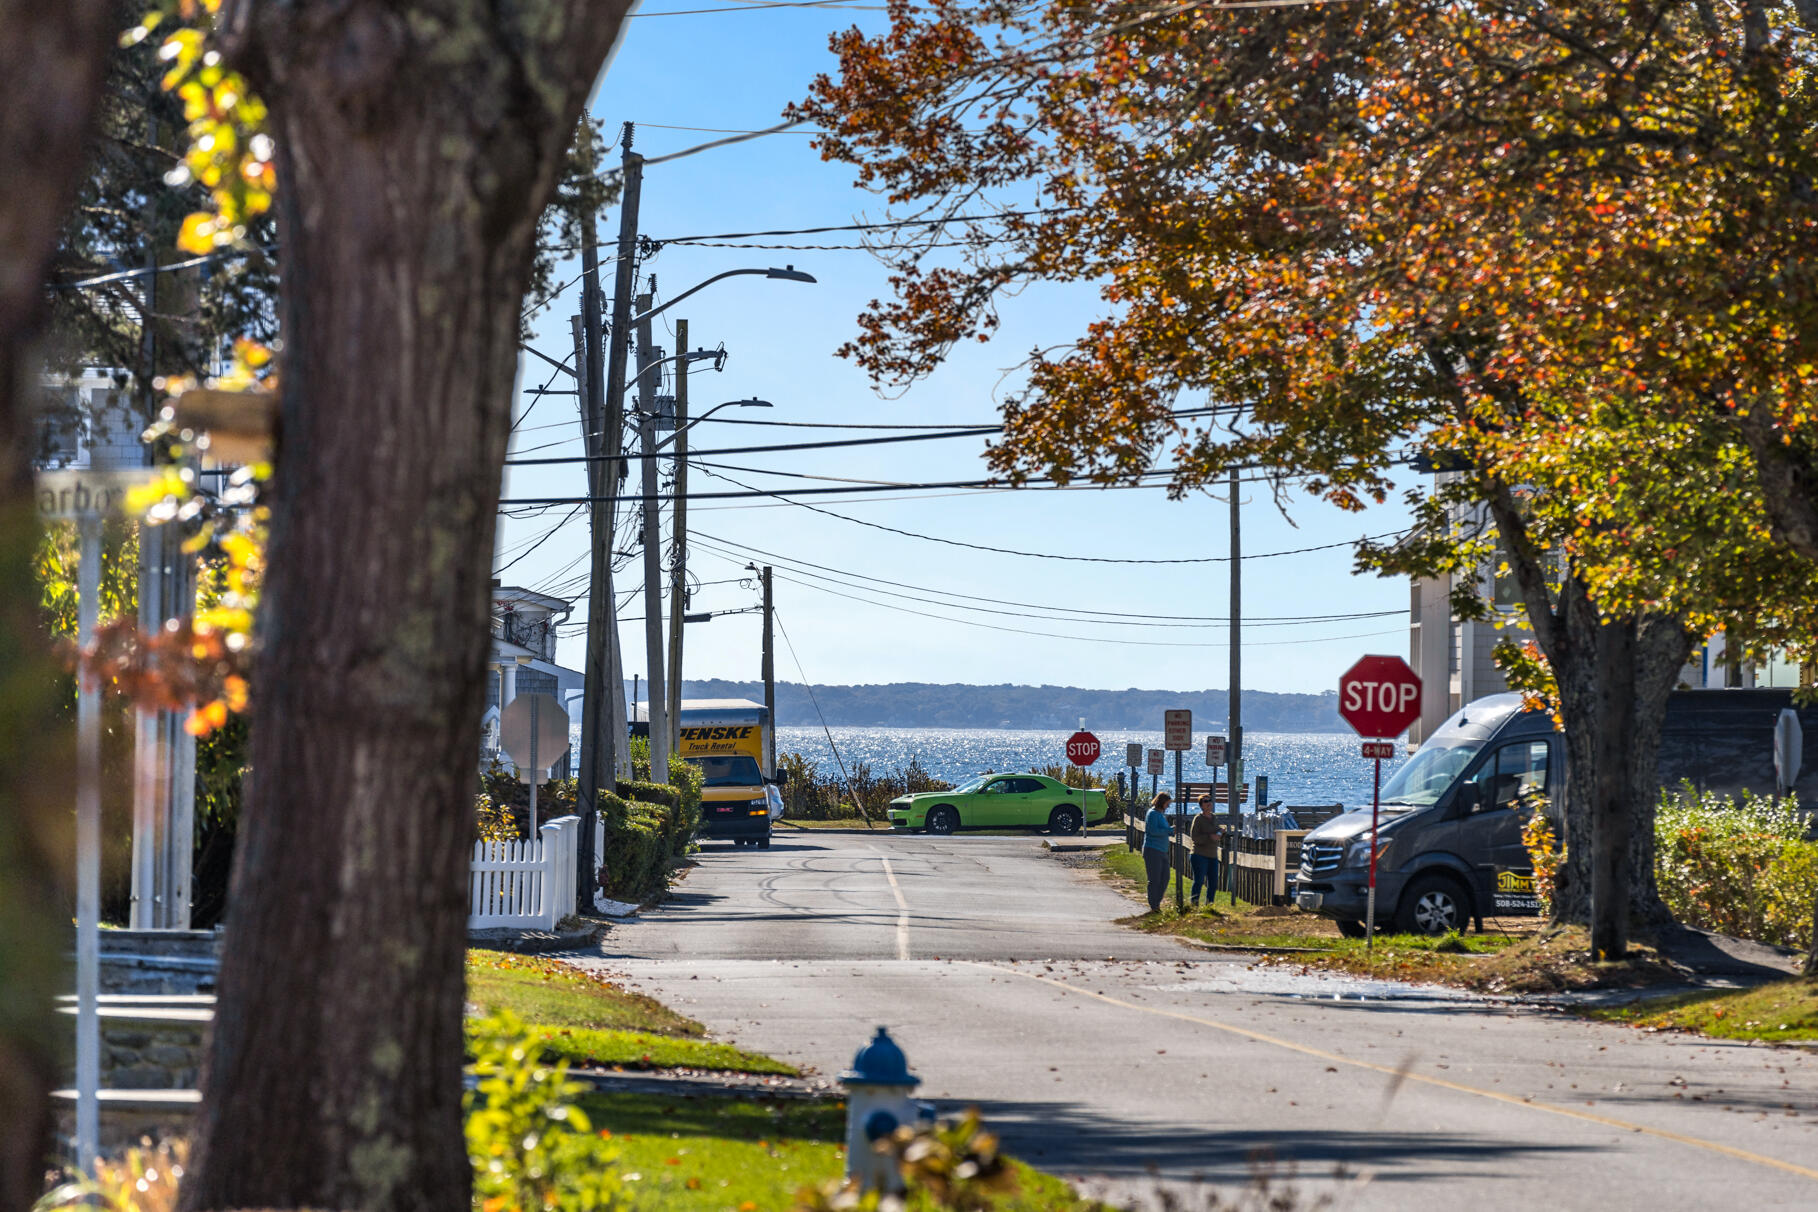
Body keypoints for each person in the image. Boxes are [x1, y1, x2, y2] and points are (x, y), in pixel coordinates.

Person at [1142, 792, 1173, 913]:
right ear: (1162, 803)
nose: (1168, 806)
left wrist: (1170, 830)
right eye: (1167, 804)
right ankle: (1153, 905)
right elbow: (1152, 831)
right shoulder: (1153, 814)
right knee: (1154, 879)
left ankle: (1157, 902)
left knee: (1165, 878)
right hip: (1153, 849)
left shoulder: (1160, 815)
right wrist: (1169, 830)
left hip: (1162, 850)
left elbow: (1164, 830)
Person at [1189, 793, 1221, 906]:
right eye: (1206, 802)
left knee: (1213, 883)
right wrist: (1209, 837)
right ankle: (1194, 905)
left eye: (1210, 801)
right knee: (1199, 881)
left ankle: (1209, 905)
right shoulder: (1198, 819)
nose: (1209, 803)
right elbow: (1194, 837)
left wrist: (1220, 832)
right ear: (1201, 805)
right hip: (1199, 855)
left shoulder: (1214, 817)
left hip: (1213, 855)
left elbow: (1217, 829)